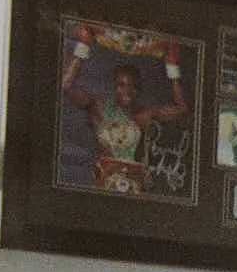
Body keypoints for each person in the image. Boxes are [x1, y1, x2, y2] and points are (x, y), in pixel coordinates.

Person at [60, 23, 189, 192]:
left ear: (138, 89)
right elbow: (67, 85)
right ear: (114, 86)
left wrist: (172, 68)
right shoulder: (99, 109)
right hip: (104, 183)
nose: (127, 89)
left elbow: (181, 108)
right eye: (121, 84)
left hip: (135, 187)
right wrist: (82, 47)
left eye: (132, 85)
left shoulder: (145, 115)